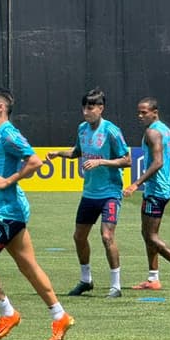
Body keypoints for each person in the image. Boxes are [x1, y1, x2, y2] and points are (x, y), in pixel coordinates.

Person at [0, 87, 75, 340]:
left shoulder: (8, 134)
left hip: (7, 212)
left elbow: (35, 161)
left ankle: (8, 312)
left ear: (1, 108)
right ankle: (60, 316)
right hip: (9, 211)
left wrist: (11, 179)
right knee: (28, 267)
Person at [46, 88, 131, 298]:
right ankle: (86, 280)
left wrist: (102, 161)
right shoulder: (82, 129)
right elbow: (77, 152)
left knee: (106, 236)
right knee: (79, 237)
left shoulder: (111, 131)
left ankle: (116, 286)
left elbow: (127, 160)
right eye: (84, 107)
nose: (86, 111)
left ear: (100, 108)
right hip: (89, 194)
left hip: (110, 193)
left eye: (90, 107)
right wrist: (58, 153)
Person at [122, 97, 170, 291]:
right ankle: (153, 279)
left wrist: (135, 184)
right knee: (148, 234)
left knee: (151, 236)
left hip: (155, 191)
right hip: (163, 190)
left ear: (155, 112)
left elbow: (158, 163)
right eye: (138, 112)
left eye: (144, 112)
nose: (140, 116)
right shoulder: (167, 132)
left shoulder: (152, 132)